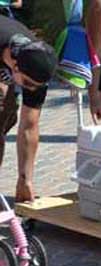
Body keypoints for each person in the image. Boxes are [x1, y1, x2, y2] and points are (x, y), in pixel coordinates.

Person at [0, 15, 58, 202]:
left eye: (36, 86)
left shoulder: (36, 61)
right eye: (27, 83)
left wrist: (26, 179)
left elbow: (29, 124)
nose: (31, 89)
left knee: (4, 116)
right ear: (15, 66)